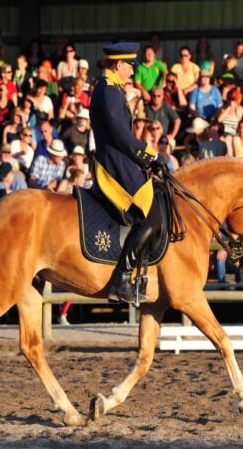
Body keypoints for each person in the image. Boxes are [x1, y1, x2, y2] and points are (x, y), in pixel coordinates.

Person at [90, 42, 161, 305]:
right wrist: (149, 155)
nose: (132, 73)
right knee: (151, 217)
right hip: (115, 165)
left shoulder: (111, 89)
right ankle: (121, 279)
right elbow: (121, 135)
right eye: (130, 67)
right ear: (119, 65)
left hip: (121, 160)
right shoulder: (108, 92)